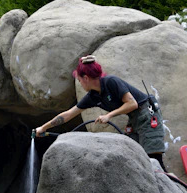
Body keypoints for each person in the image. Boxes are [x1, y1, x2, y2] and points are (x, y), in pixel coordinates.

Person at [34, 55, 167, 171]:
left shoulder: (111, 82)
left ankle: (174, 191)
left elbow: (132, 103)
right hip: (134, 119)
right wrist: (43, 128)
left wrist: (109, 115)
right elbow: (68, 114)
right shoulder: (93, 96)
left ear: (85, 78)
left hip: (147, 115)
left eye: (79, 80)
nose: (80, 84)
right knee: (134, 155)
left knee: (154, 159)